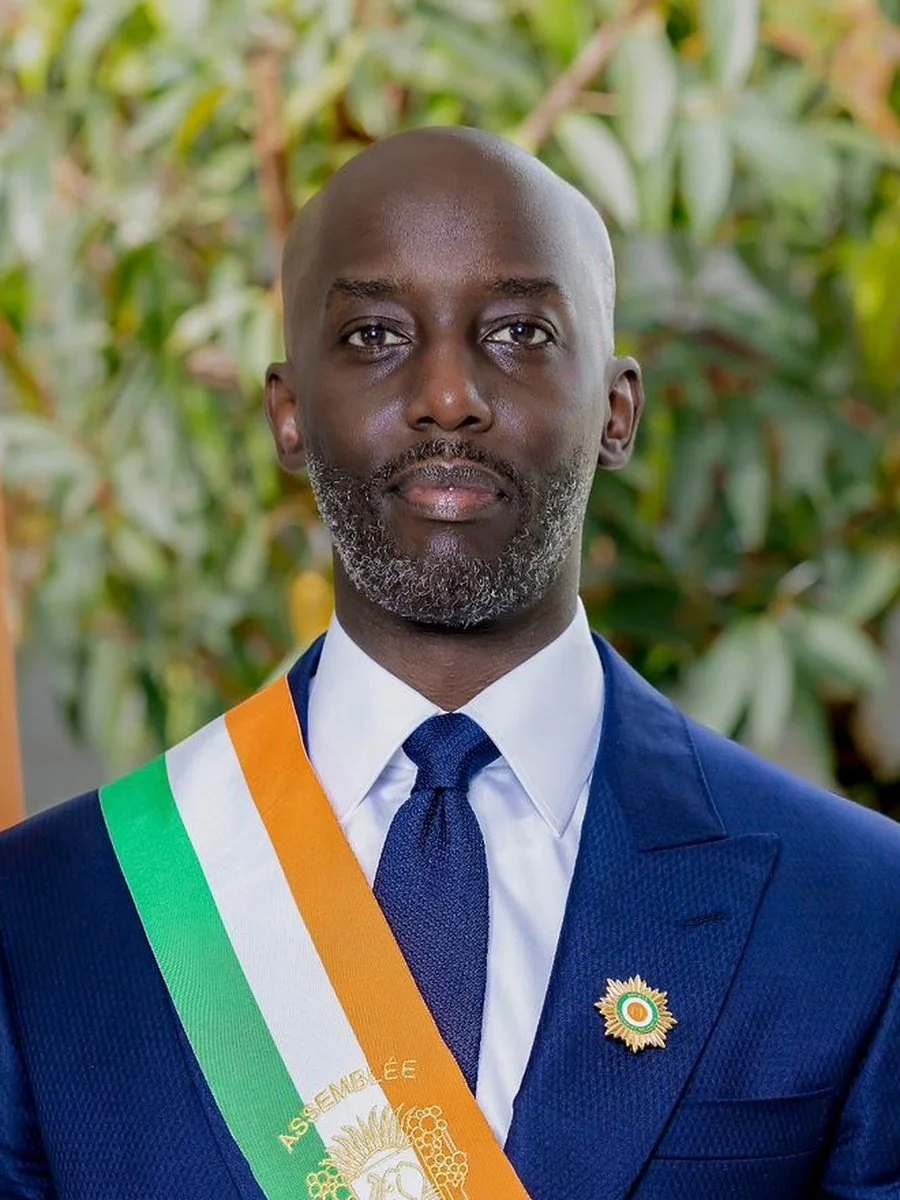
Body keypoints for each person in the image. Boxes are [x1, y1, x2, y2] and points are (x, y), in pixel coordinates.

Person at [1, 127, 898, 1200]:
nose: (446, 396)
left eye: (519, 332)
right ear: (287, 414)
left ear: (617, 411)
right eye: (375, 334)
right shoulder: (44, 917)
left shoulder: (858, 910)